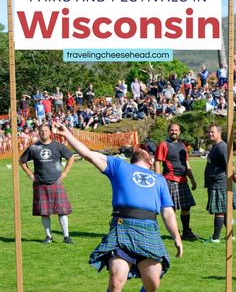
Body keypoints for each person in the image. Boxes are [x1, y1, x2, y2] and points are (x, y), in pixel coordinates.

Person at [55, 124, 183, 292]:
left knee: (153, 283)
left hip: (149, 229)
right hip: (123, 227)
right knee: (116, 282)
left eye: (145, 149)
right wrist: (68, 135)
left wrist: (176, 237)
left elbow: (167, 212)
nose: (142, 149)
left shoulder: (158, 179)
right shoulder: (119, 166)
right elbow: (87, 154)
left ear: (151, 161)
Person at [19, 124, 74, 244]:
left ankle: (66, 236)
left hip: (56, 182)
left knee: (62, 211)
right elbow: (22, 161)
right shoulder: (33, 147)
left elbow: (71, 157)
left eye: (45, 131)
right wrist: (30, 174)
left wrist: (64, 173)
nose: (43, 133)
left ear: (50, 132)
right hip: (40, 183)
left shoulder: (58, 146)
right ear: (38, 133)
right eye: (41, 131)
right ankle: (48, 236)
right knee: (44, 212)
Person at [154, 123, 198, 240]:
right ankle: (175, 232)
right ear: (168, 131)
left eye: (176, 130)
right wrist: (158, 180)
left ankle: (186, 231)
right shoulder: (164, 144)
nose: (174, 132)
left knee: (186, 207)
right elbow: (157, 162)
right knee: (171, 208)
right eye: (172, 130)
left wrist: (192, 179)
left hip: (183, 180)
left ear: (180, 132)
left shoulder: (182, 145)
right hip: (170, 179)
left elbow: (186, 163)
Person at [204, 124, 236, 242]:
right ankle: (231, 235)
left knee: (219, 211)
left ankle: (215, 238)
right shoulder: (215, 146)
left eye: (212, 132)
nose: (210, 134)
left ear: (219, 133)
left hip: (220, 183)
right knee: (224, 211)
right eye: (209, 132)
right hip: (216, 183)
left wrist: (233, 176)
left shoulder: (222, 147)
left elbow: (229, 165)